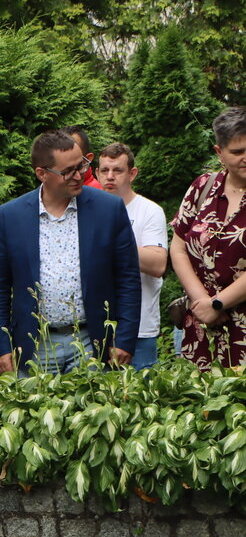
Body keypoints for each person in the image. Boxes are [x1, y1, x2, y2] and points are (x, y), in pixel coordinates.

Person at [0, 130, 140, 374]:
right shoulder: (11, 216)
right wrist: (2, 346)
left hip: (93, 342)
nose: (78, 175)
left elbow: (128, 278)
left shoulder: (108, 209)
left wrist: (124, 339)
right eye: (68, 171)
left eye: (81, 166)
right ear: (42, 174)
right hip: (35, 345)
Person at [170, 107, 246, 369]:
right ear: (219, 152)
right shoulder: (203, 187)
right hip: (201, 326)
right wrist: (202, 302)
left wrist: (218, 303)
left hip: (242, 327)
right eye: (237, 152)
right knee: (200, 404)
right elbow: (178, 248)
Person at [97, 143, 169, 370]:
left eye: (117, 170)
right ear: (96, 173)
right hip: (97, 327)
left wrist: (110, 245)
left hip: (140, 327)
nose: (110, 177)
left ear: (132, 174)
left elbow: (158, 263)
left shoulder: (149, 211)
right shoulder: (88, 211)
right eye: (104, 170)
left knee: (139, 397)